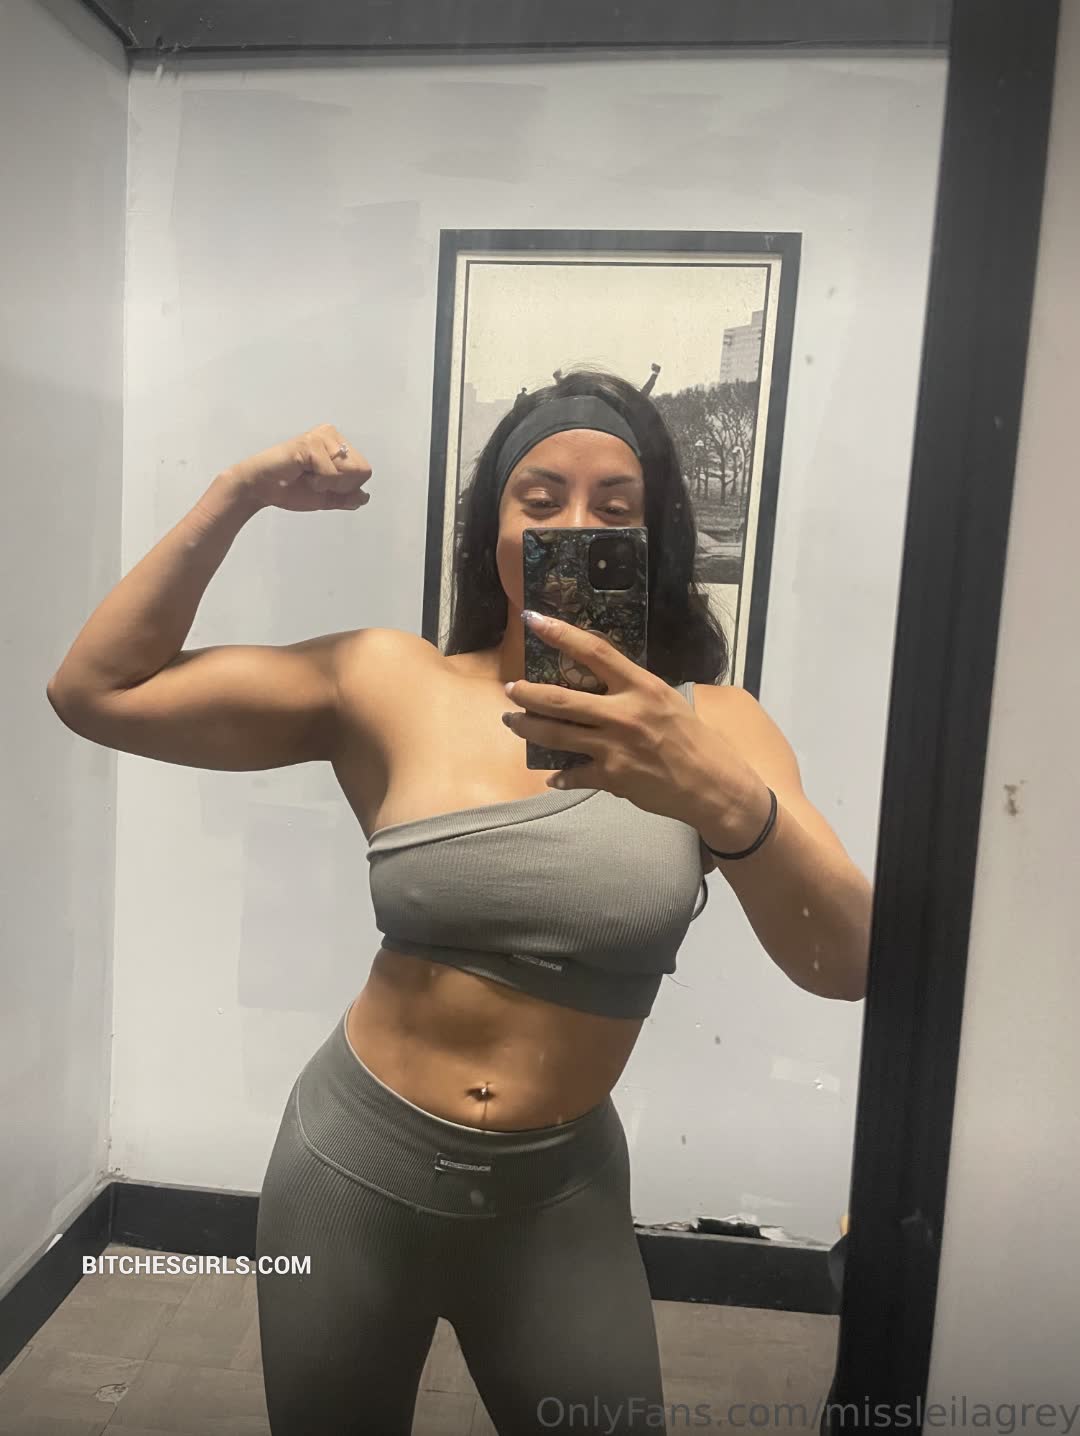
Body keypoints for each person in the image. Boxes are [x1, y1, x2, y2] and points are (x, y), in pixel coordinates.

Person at [47, 369, 873, 1435]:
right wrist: (237, 492)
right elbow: (96, 691)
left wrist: (713, 789)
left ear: (654, 539)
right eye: (541, 500)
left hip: (559, 1202)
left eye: (615, 508)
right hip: (346, 1174)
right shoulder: (392, 683)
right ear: (492, 529)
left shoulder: (717, 726)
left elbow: (848, 962)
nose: (574, 528)